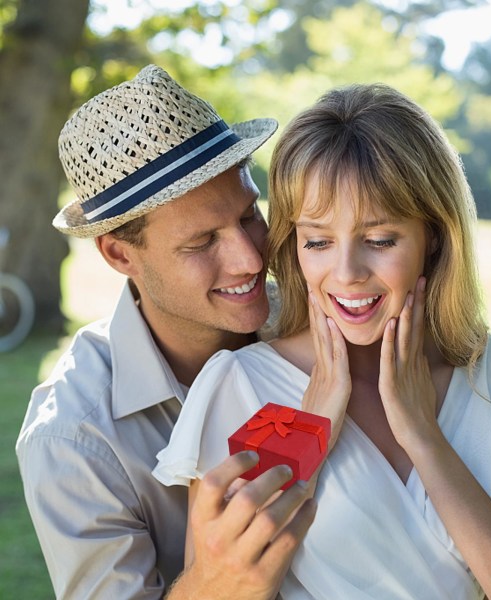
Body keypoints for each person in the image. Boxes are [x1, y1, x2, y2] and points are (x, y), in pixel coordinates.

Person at [153, 83, 491, 599]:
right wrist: (307, 429)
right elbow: (221, 589)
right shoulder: (239, 385)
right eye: (317, 241)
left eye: (380, 240)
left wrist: (422, 436)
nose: (345, 274)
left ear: (433, 235)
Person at [16, 64, 316, 599]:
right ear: (119, 253)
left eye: (249, 216)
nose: (251, 260)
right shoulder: (72, 440)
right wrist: (214, 579)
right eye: (202, 243)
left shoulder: (315, 325)